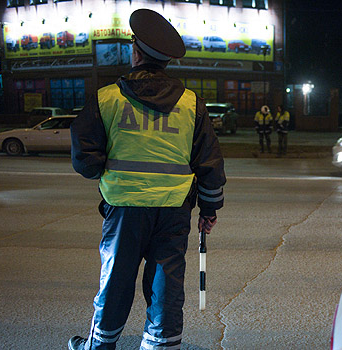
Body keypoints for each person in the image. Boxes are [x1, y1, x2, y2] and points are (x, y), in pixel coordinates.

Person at [68, 8, 226, 350]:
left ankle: (100, 346)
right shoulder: (191, 105)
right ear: (166, 60)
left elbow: (84, 158)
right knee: (166, 285)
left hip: (123, 209)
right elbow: (210, 163)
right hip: (173, 211)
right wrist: (209, 210)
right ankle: (159, 346)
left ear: (135, 52)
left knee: (116, 281)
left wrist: (103, 169)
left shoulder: (107, 98)